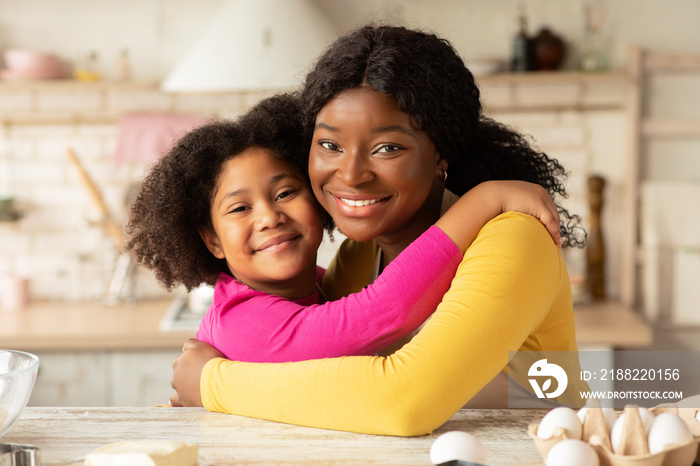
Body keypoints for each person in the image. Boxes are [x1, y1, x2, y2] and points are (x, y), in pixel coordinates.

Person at [170, 25, 589, 436]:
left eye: (387, 147)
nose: (350, 175)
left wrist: (211, 383)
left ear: (440, 153)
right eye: (330, 145)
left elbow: (404, 401)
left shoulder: (514, 238)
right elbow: (311, 378)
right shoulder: (360, 253)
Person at [126, 93, 561, 364]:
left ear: (317, 199)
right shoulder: (245, 321)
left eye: (284, 194)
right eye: (239, 208)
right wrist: (482, 200)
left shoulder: (325, 282)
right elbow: (382, 311)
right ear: (211, 240)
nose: (269, 217)